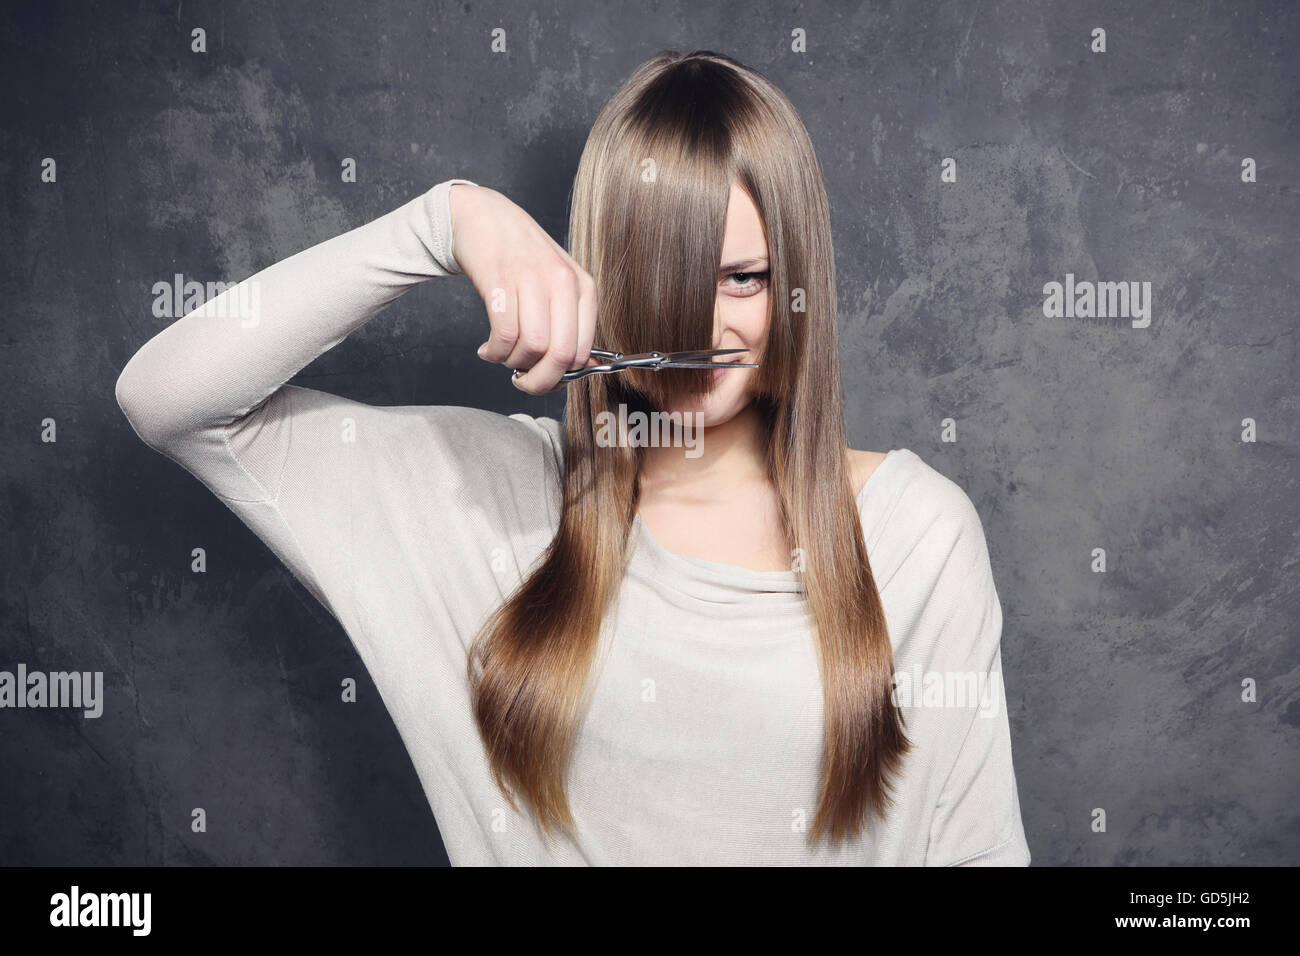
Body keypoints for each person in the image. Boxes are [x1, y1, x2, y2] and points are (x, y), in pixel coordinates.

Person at [115, 49, 1030, 865]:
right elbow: (168, 402)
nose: (696, 323)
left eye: (742, 278)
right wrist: (444, 223)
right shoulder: (481, 501)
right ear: (594, 277)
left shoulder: (917, 536)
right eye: (658, 275)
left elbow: (979, 853)